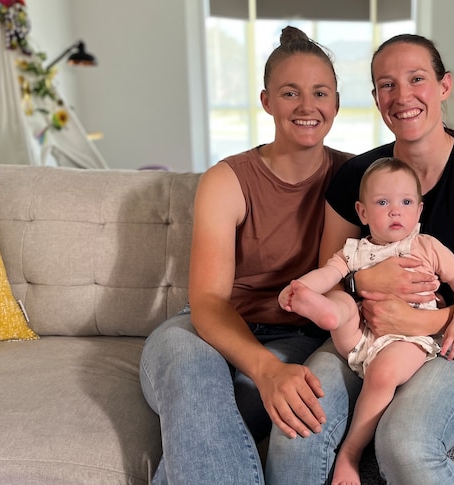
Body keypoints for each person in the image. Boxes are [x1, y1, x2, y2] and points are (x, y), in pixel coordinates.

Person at [266, 33, 454, 484]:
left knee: (403, 441)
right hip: (366, 330)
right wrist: (366, 285)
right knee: (298, 426)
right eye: (387, 85)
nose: (403, 96)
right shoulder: (356, 179)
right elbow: (335, 273)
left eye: (417, 79)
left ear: (444, 86)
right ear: (375, 98)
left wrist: (420, 322)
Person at [138, 26, 353, 485]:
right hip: (207, 332)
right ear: (266, 101)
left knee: (207, 422)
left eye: (320, 93)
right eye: (290, 93)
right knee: (187, 364)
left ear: (336, 102)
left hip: (298, 337)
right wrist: (267, 369)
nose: (307, 106)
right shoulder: (227, 180)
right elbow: (209, 302)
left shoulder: (355, 177)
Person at [278, 156, 454, 484]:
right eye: (383, 202)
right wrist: (299, 289)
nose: (395, 210)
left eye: (406, 202)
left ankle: (350, 453)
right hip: (361, 336)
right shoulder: (354, 251)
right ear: (363, 212)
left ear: (419, 211)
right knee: (339, 297)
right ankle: (327, 313)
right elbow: (327, 274)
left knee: (383, 373)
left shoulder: (425, 246)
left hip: (410, 339)